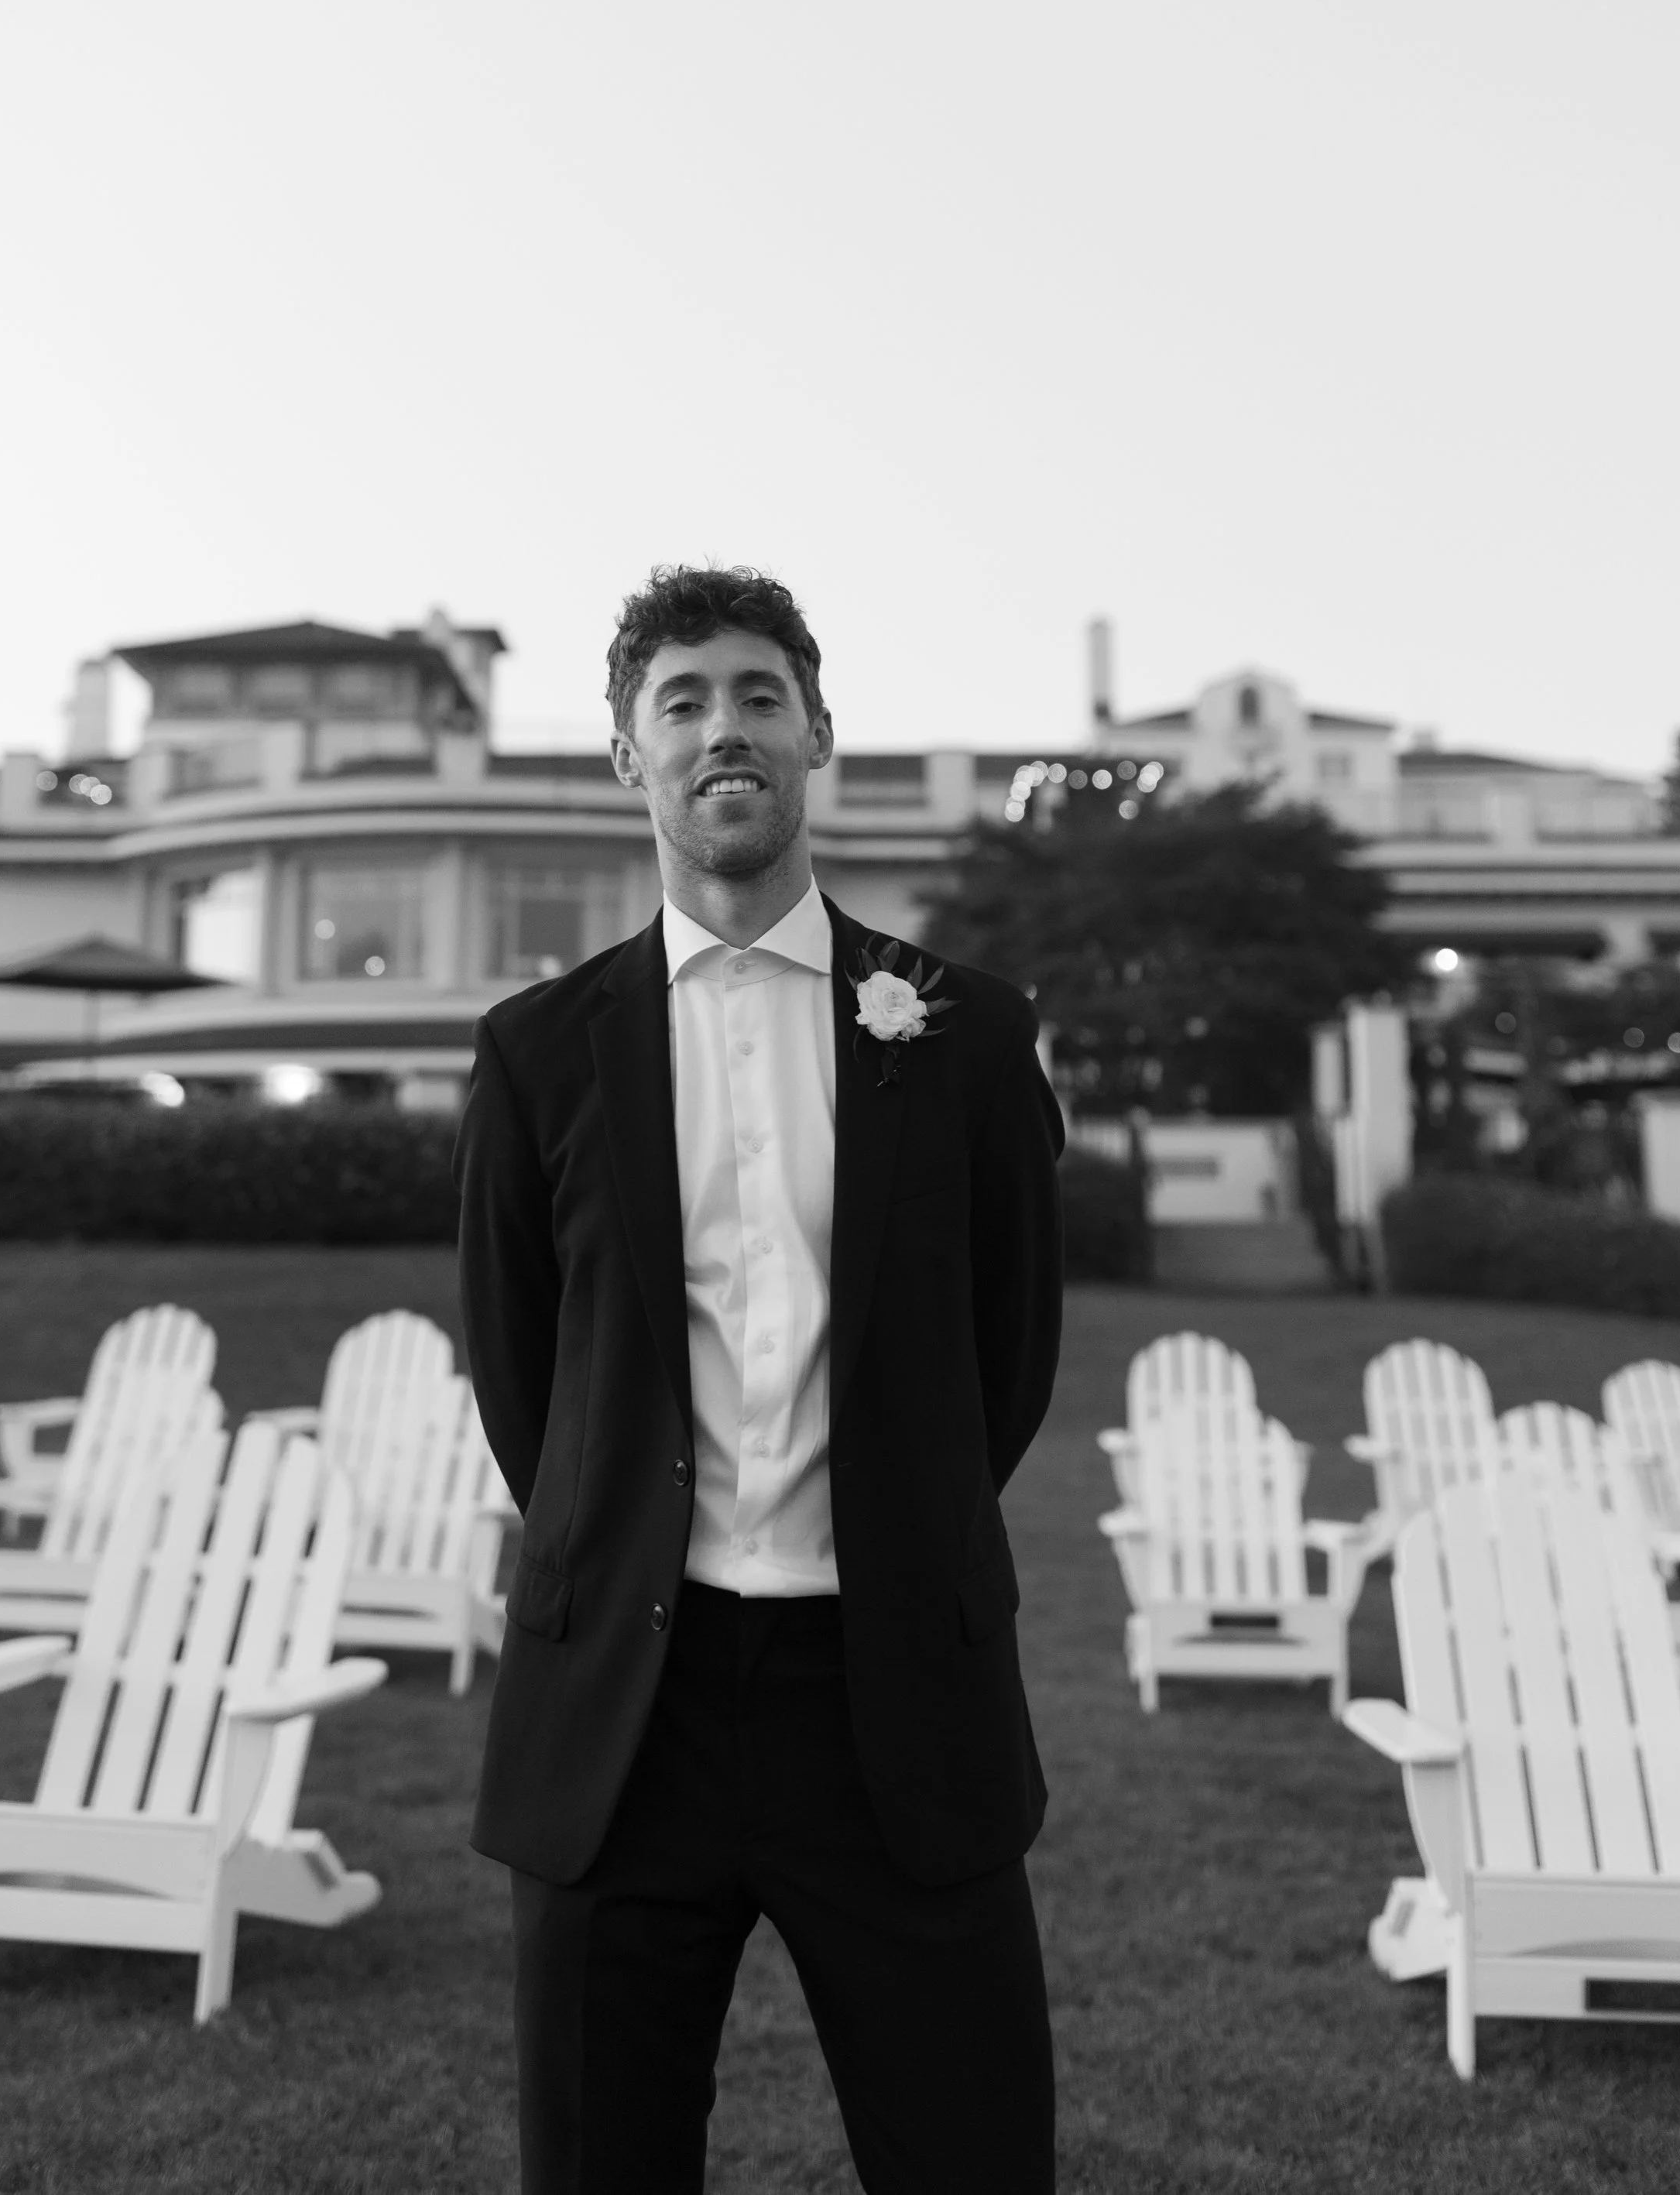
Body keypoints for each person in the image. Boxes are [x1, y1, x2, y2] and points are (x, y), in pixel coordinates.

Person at [456, 564, 1064, 2193]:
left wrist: (891, 1509)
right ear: (624, 758)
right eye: (680, 701)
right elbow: (526, 1373)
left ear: (813, 738)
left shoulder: (967, 1038)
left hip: (892, 1706)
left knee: (971, 2159)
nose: (720, 727)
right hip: (621, 1723)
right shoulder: (533, 1054)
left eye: (754, 696)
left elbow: (1007, 1356)